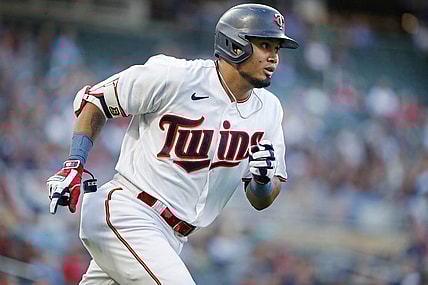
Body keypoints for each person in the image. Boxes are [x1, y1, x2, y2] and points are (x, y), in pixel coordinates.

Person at [46, 3, 298, 284]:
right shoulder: (175, 76)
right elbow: (96, 100)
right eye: (265, 45)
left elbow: (261, 199)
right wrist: (74, 164)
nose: (274, 58)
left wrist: (262, 181)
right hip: (128, 213)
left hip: (171, 238)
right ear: (235, 45)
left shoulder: (269, 110)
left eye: (277, 49)